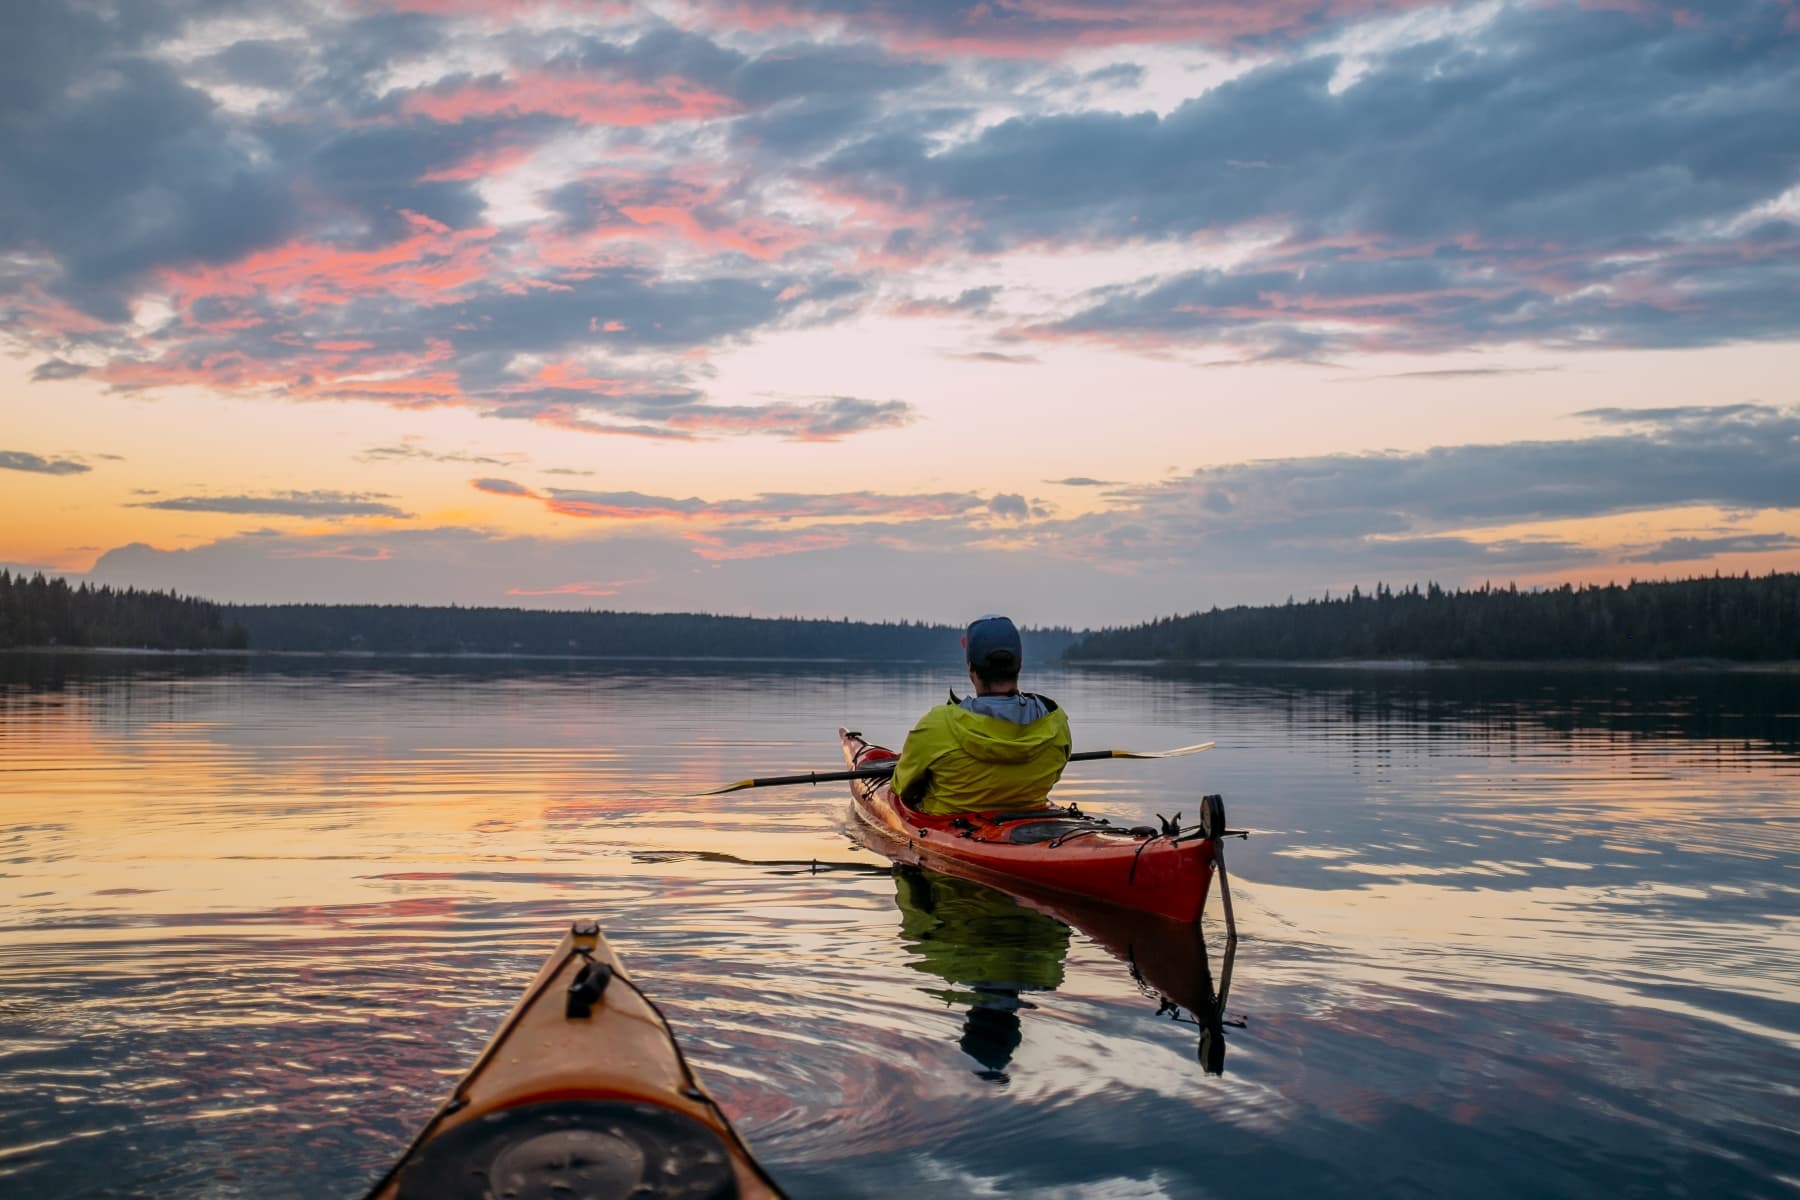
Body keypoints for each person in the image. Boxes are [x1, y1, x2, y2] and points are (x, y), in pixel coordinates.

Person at [890, 614, 1071, 814]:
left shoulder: (937, 726)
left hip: (951, 832)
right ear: (1019, 664)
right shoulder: (1056, 721)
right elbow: (1054, 775)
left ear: (970, 667)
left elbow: (901, 788)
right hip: (1033, 825)